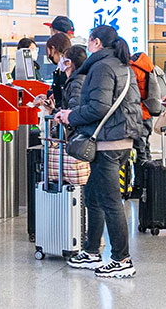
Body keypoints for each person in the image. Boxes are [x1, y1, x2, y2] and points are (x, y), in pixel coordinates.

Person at [57, 25, 144, 278]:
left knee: (110, 202)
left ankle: (121, 259)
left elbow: (98, 107)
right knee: (94, 196)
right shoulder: (122, 65)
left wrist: (70, 115)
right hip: (120, 139)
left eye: (90, 40)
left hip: (108, 143)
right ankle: (92, 251)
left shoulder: (102, 67)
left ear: (96, 42)